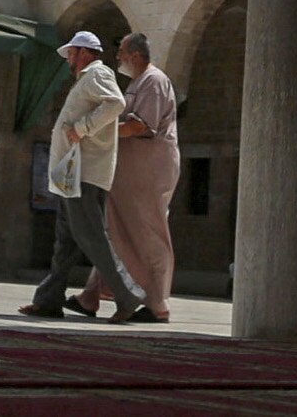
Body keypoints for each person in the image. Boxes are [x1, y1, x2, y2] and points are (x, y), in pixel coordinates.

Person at [19, 30, 146, 323]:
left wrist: (82, 127)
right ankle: (49, 300)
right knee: (65, 241)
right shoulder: (86, 79)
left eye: (72, 53)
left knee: (92, 237)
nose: (69, 59)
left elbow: (116, 103)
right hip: (73, 175)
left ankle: (127, 296)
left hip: (86, 174)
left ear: (85, 52)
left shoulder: (97, 74)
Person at [75, 31, 180, 323]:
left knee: (148, 233)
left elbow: (140, 126)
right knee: (116, 230)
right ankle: (91, 295)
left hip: (149, 171)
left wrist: (95, 129)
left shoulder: (154, 81)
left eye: (121, 52)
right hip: (130, 172)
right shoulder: (138, 82)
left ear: (134, 55)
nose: (118, 57)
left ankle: (158, 304)